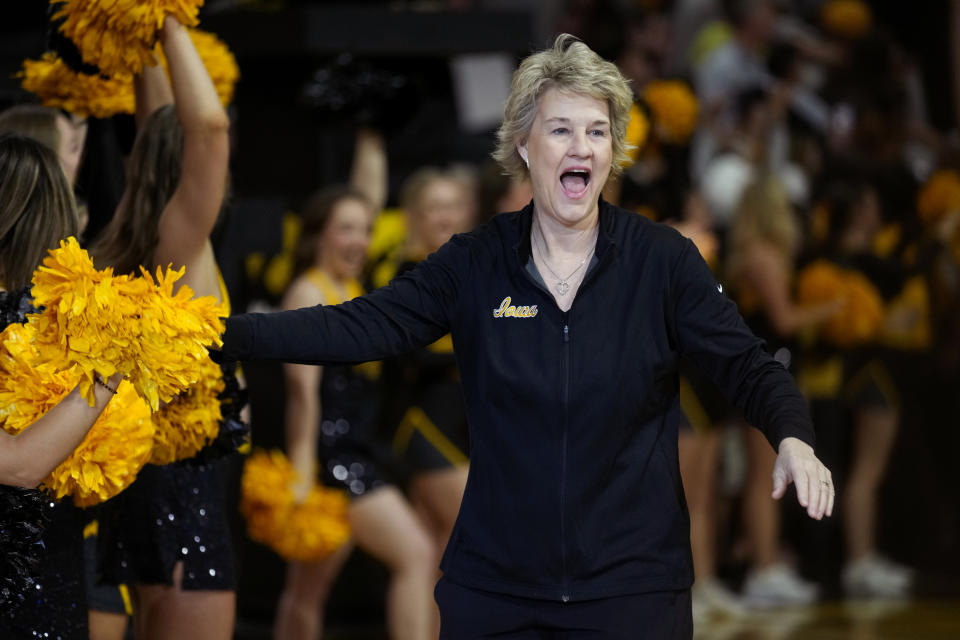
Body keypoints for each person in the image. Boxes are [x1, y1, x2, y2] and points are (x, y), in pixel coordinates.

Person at [217, 35, 834, 637]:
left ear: (614, 149)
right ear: (523, 144)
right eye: (561, 129)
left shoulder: (663, 262)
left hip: (633, 591)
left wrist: (794, 438)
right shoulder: (473, 263)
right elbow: (357, 325)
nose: (582, 147)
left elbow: (750, 366)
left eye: (597, 131)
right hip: (497, 593)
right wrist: (225, 333)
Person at [90, 15, 236, 640]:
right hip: (182, 491)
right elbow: (208, 125)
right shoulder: (182, 244)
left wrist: (139, 35)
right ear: (195, 172)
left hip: (151, 485)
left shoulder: (135, 232)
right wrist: (167, 15)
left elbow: (161, 126)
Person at [274, 187, 439, 640]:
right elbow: (302, 396)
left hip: (358, 451)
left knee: (307, 590)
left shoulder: (352, 289)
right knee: (417, 554)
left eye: (366, 230)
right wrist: (303, 475)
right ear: (319, 235)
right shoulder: (307, 290)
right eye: (346, 228)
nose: (360, 240)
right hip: (331, 462)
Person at [0, 132, 123, 638]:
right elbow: (20, 465)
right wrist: (117, 368)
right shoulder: (78, 333)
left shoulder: (68, 324)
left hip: (54, 579)